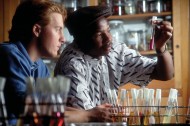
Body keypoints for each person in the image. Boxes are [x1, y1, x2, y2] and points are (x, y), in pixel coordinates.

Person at [0, 0, 112, 125]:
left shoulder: (40, 66)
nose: (63, 39)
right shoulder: (8, 54)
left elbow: (49, 109)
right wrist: (88, 115)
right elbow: (26, 108)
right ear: (37, 30)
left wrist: (90, 112)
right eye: (58, 30)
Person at [54, 6, 174, 110]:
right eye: (99, 35)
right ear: (81, 39)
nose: (109, 38)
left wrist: (161, 48)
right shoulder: (72, 64)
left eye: (108, 31)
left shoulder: (114, 50)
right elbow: (86, 118)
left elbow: (164, 74)